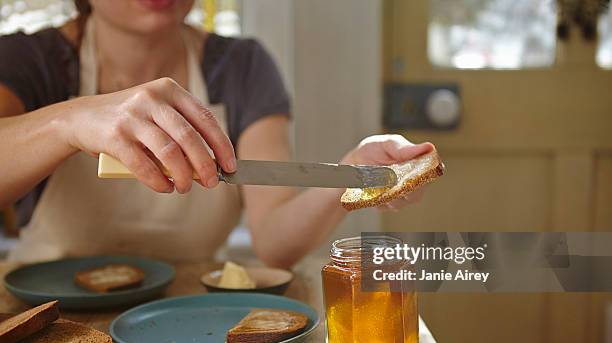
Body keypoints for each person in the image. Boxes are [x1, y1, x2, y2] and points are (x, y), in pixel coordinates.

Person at [0, 0, 434, 267]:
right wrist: (68, 122)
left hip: (191, 317)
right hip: (46, 316)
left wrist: (350, 173)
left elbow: (275, 244)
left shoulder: (243, 66)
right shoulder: (26, 60)